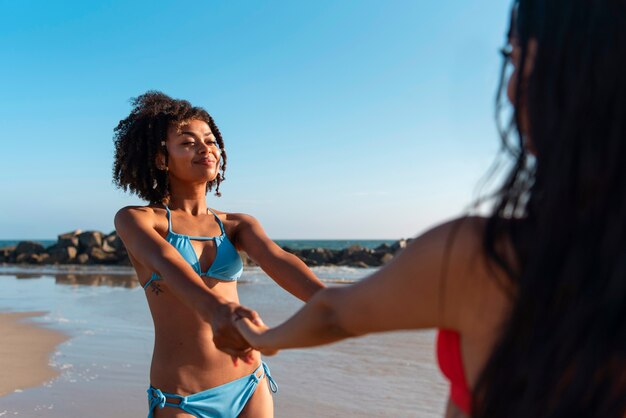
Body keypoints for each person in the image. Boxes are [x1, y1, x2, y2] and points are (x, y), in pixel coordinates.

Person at [233, 1, 626, 417]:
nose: (510, 87)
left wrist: (263, 338)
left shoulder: (483, 256)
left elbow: (335, 313)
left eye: (515, 56)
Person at [112, 91, 325, 418]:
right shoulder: (138, 219)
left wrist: (333, 301)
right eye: (188, 142)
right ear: (160, 158)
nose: (205, 148)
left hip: (249, 383)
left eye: (210, 141)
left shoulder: (237, 224)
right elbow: (167, 264)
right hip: (181, 398)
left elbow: (279, 260)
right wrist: (218, 312)